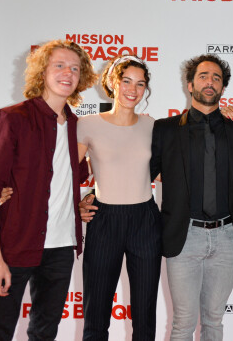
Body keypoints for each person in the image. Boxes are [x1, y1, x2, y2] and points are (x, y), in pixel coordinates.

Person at [0, 39, 95, 340]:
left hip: (61, 247)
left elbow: (70, 179)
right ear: (42, 72)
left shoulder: (79, 127)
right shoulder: (13, 118)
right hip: (14, 245)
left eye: (75, 68)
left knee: (45, 332)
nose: (68, 73)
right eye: (60, 65)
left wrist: (78, 205)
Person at [150, 54, 233, 340]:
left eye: (217, 78)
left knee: (214, 321)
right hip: (184, 235)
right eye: (204, 76)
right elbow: (140, 174)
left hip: (225, 236)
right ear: (190, 83)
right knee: (183, 322)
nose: (210, 82)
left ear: (222, 88)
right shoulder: (164, 129)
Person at [77, 55, 161, 340]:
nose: (132, 89)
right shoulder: (86, 125)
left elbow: (164, 173)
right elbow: (66, 174)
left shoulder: (152, 126)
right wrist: (80, 202)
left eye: (140, 84)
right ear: (113, 82)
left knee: (145, 315)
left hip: (145, 221)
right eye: (126, 81)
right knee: (96, 313)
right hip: (104, 221)